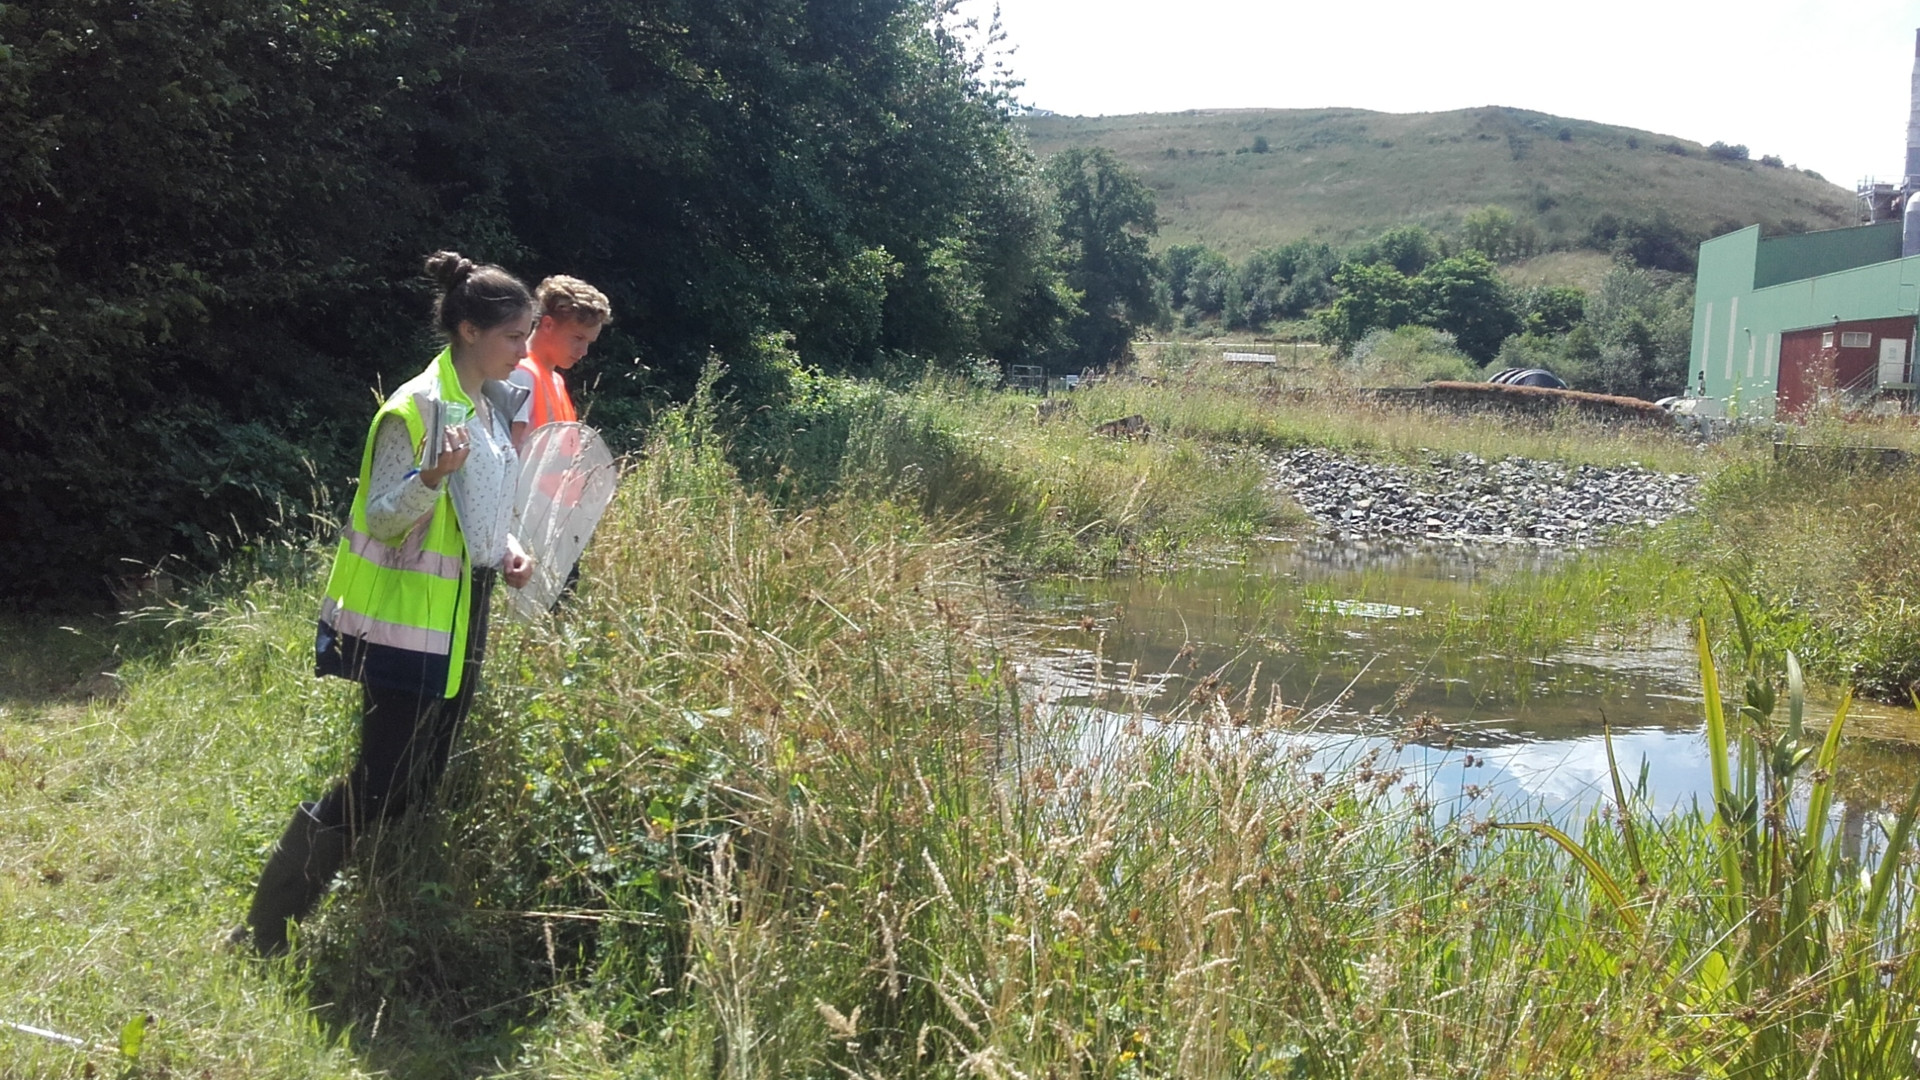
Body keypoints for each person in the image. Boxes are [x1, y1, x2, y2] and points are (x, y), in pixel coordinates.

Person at [239, 251, 538, 956]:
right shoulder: (416, 408)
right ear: (468, 329)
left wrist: (509, 545)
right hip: (405, 623)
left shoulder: (491, 405)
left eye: (527, 335)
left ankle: (387, 911)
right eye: (514, 336)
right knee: (382, 781)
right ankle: (265, 930)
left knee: (424, 775)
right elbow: (381, 516)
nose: (525, 350)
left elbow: (484, 507)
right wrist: (430, 477)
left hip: (467, 611)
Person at [509, 275, 611, 450]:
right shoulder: (519, 375)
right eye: (578, 338)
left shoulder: (556, 381)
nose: (583, 351)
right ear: (548, 325)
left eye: (588, 342)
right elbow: (506, 453)